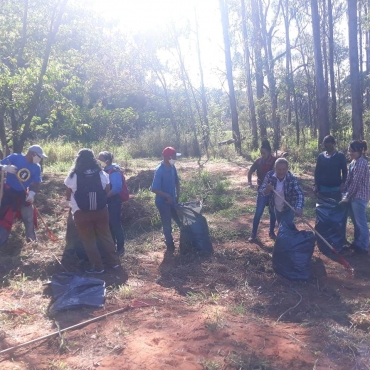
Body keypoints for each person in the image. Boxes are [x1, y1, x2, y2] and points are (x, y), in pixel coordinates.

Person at [64, 149, 120, 273]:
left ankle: (98, 267)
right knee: (106, 236)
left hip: (81, 213)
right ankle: (114, 263)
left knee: (89, 240)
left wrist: (69, 202)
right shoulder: (101, 174)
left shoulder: (73, 175)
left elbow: (68, 193)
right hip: (101, 211)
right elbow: (107, 190)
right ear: (93, 159)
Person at [0, 145, 47, 242]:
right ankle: (1, 240)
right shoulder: (14, 158)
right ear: (33, 154)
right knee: (6, 217)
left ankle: (32, 239)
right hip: (10, 192)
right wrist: (4, 167)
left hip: (24, 193)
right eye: (39, 156)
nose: (40, 159)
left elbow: (36, 181)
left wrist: (32, 193)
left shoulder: (37, 167)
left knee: (29, 217)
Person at [340, 140, 370, 254]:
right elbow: (349, 179)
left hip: (359, 197)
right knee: (356, 222)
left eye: (353, 151)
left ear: (360, 151)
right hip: (353, 197)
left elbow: (356, 183)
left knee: (361, 222)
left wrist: (347, 196)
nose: (351, 153)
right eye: (349, 150)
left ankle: (364, 245)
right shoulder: (353, 162)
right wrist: (344, 189)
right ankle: (358, 243)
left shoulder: (362, 163)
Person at [151, 146, 181, 254]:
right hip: (163, 203)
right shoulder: (160, 170)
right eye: (174, 157)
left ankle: (184, 242)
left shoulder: (172, 167)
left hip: (173, 201)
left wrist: (177, 195)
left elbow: (177, 181)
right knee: (167, 224)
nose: (175, 159)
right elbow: (154, 188)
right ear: (168, 157)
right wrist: (167, 196)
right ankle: (170, 245)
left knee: (180, 221)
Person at [247, 140, 277, 241]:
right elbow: (250, 171)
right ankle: (253, 234)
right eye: (261, 153)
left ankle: (271, 232)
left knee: (273, 212)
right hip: (262, 191)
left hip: (273, 191)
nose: (262, 155)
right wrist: (250, 183)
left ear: (269, 152)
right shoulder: (258, 161)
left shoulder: (275, 161)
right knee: (258, 212)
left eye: (264, 153)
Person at [259, 158, 304, 225]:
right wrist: (267, 190)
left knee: (286, 227)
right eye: (279, 169)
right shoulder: (269, 175)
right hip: (276, 208)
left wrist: (299, 207)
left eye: (284, 169)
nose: (281, 172)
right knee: (281, 226)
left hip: (289, 208)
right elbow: (261, 192)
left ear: (287, 168)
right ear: (275, 168)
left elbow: (299, 194)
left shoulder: (292, 178)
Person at [98, 151, 125, 256]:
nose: (99, 162)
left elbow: (117, 188)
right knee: (109, 224)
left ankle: (120, 248)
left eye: (101, 160)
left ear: (107, 161)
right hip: (108, 200)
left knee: (115, 224)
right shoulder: (105, 170)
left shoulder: (114, 171)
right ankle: (112, 246)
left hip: (114, 200)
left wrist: (106, 197)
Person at [314, 135, 347, 201]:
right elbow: (317, 172)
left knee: (336, 209)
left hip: (336, 188)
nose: (327, 148)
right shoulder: (321, 156)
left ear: (334, 144)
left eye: (329, 146)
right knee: (323, 209)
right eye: (325, 146)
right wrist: (316, 184)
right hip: (323, 188)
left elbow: (345, 171)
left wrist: (343, 183)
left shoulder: (340, 156)